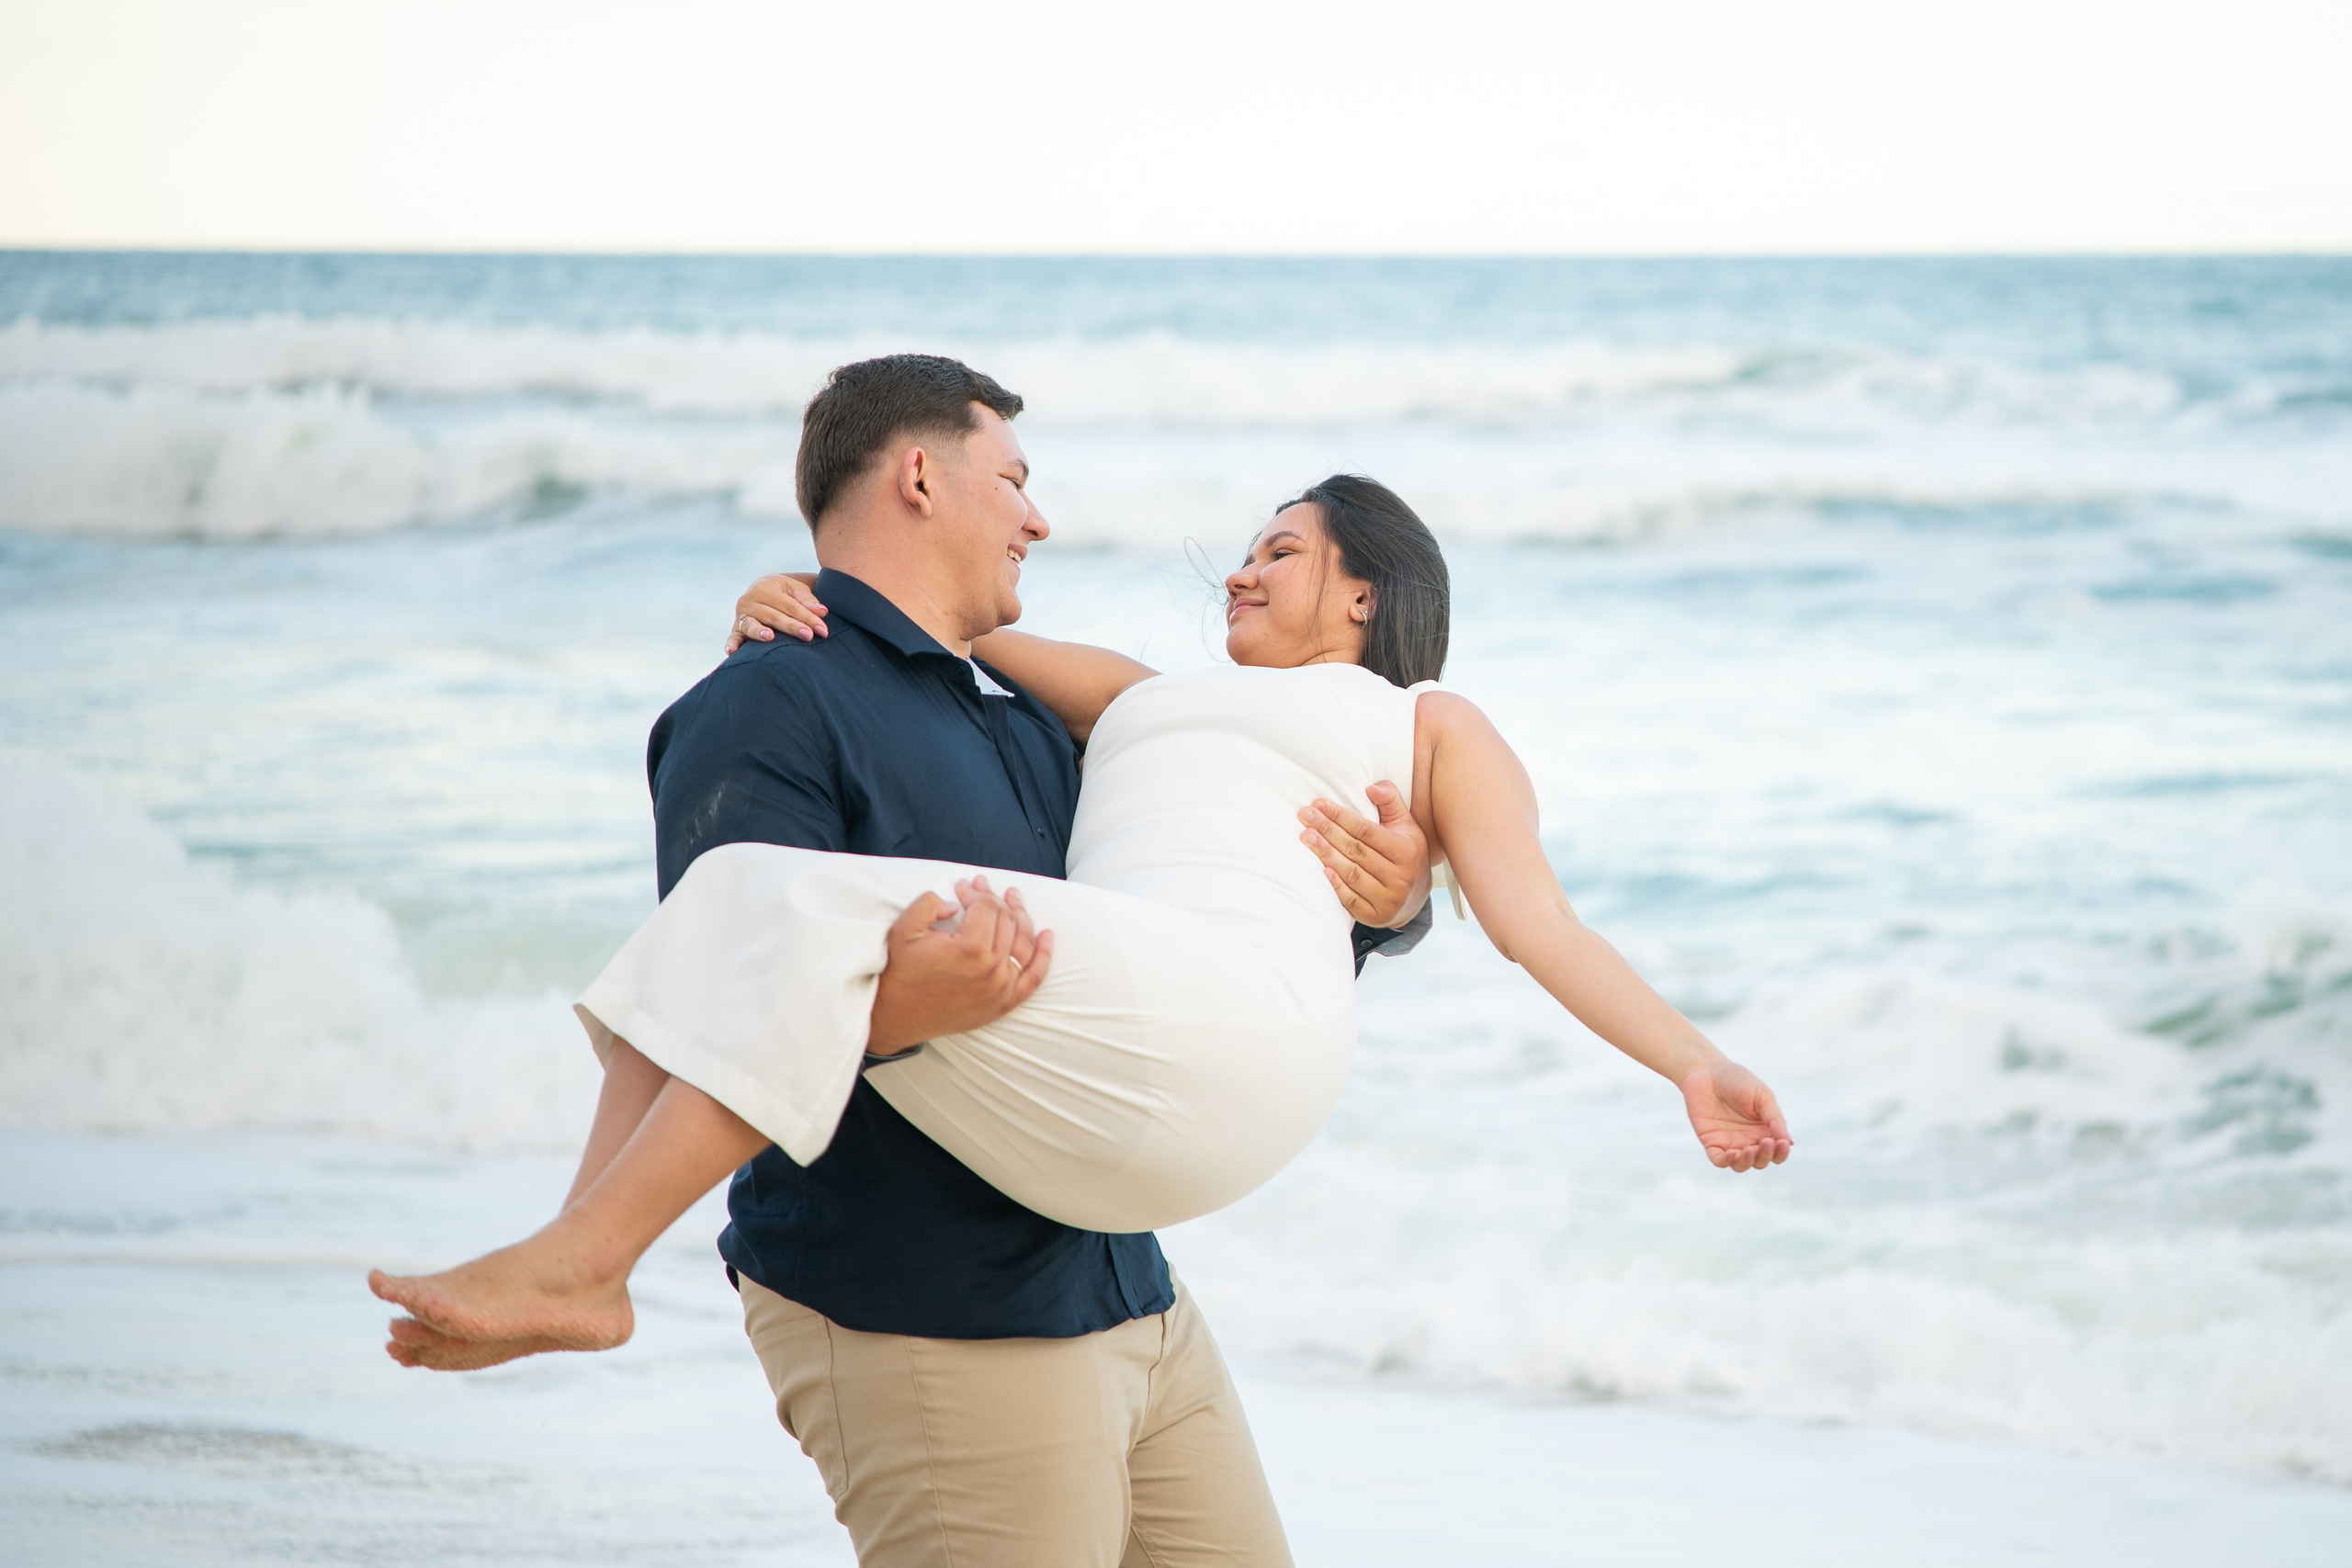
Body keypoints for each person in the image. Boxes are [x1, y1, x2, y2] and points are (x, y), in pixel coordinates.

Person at [374, 355, 1441, 1568]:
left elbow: (1203, 926)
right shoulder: (771, 703)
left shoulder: (1032, 726)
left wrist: (1391, 897)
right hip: (930, 1314)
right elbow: (723, 985)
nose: (1040, 517)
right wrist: (895, 1012)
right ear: (923, 476)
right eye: (1016, 479)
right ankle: (581, 1260)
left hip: (1122, 1293)